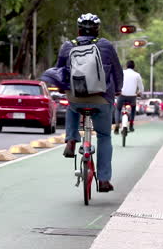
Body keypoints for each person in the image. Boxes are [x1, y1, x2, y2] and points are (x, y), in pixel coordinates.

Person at [55, 13, 123, 192]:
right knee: (104, 136)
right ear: (97, 30)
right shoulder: (106, 46)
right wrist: (118, 89)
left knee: (71, 108)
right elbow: (117, 72)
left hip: (76, 97)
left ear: (78, 30)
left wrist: (64, 89)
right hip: (101, 98)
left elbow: (59, 72)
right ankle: (103, 180)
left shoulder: (68, 46)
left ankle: (71, 140)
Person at [114, 60, 144, 133]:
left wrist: (116, 91)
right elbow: (141, 88)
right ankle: (131, 124)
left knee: (118, 109)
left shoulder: (122, 72)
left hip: (121, 95)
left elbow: (116, 81)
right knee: (133, 109)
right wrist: (139, 93)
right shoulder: (137, 75)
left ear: (126, 66)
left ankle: (117, 124)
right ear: (134, 67)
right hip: (132, 97)